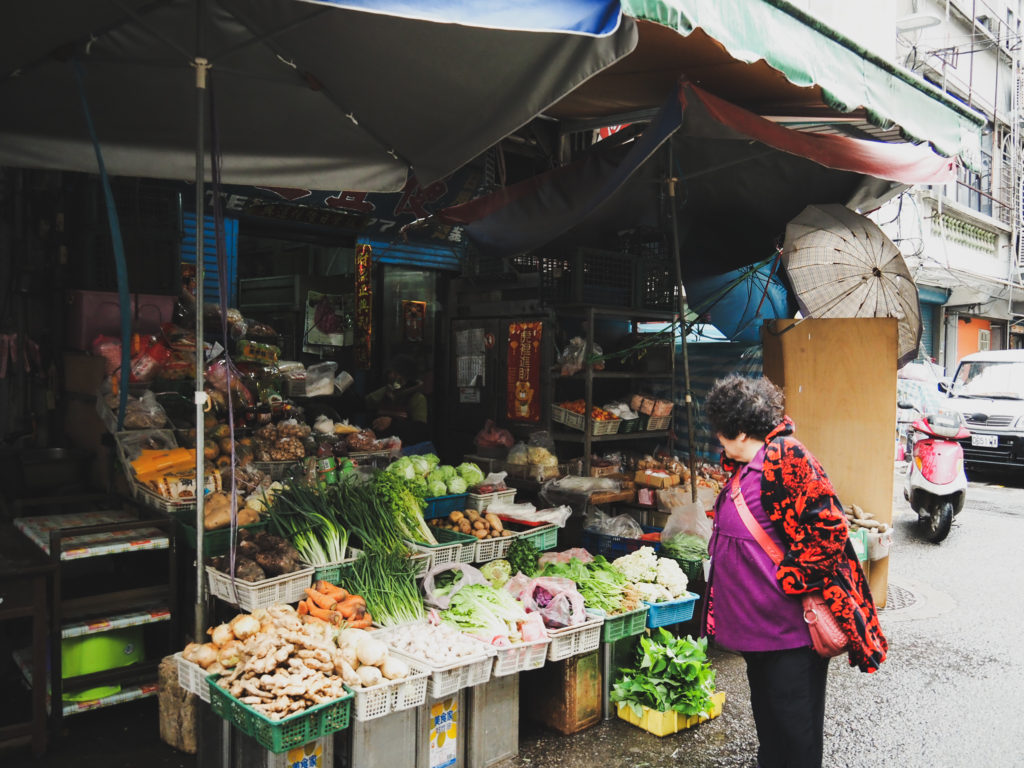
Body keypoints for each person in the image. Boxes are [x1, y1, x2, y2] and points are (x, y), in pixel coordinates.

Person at [701, 374, 886, 768]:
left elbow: (831, 528)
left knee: (795, 732)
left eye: (719, 431)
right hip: (757, 631)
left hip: (789, 632)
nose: (717, 439)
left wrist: (791, 578)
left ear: (735, 429)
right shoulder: (746, 463)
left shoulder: (787, 456)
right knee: (771, 726)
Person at [364, 354, 430, 446]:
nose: (391, 376)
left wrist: (392, 423)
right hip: (379, 447)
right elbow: (364, 403)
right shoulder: (385, 391)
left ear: (404, 377)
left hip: (405, 451)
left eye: (395, 373)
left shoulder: (418, 399)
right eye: (391, 373)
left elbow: (419, 430)